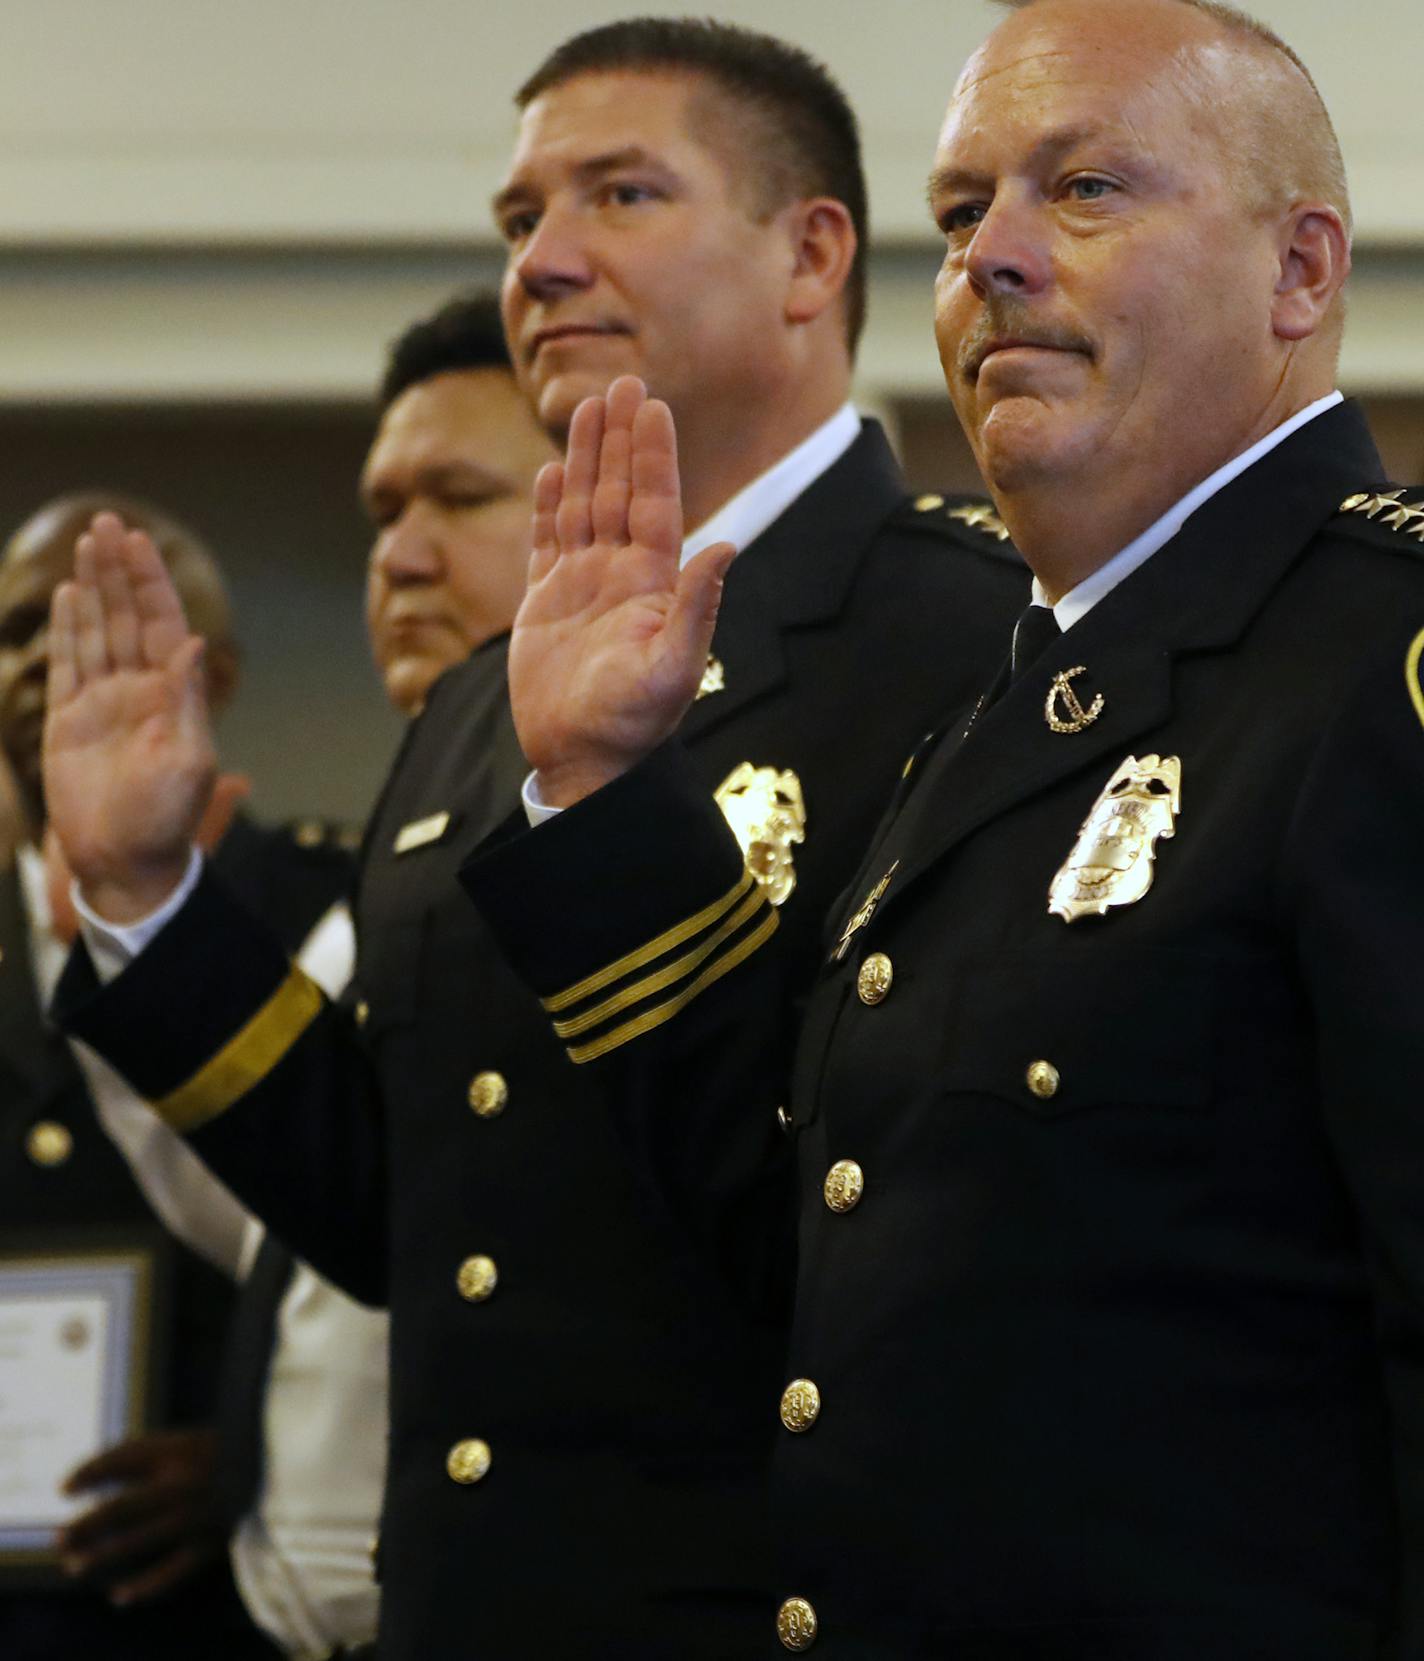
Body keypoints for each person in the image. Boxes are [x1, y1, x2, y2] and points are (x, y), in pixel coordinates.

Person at [38, 21, 1023, 1658]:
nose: (543, 263)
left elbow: (917, 1237)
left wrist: (600, 813)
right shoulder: (477, 703)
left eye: (619, 195)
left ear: (810, 253)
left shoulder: (968, 643)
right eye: (517, 222)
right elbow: (402, 1206)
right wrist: (150, 895)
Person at [450, 0, 1424, 1652]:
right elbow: (830, 1245)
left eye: (1086, 189)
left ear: (1300, 273)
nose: (989, 260)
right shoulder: (1014, 697)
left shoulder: (1364, 671)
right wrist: (605, 796)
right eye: (961, 210)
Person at [214, 288, 556, 1661]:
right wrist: (136, 907)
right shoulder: (374, 872)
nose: (398, 556)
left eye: (458, 497)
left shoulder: (654, 847)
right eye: (380, 512)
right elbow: (300, 1223)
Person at [0, 492, 349, 1661]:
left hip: (217, 1604)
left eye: (104, 617)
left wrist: (256, 1446)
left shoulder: (327, 911)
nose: (52, 649)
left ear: (223, 672)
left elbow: (363, 1229)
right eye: (18, 626)